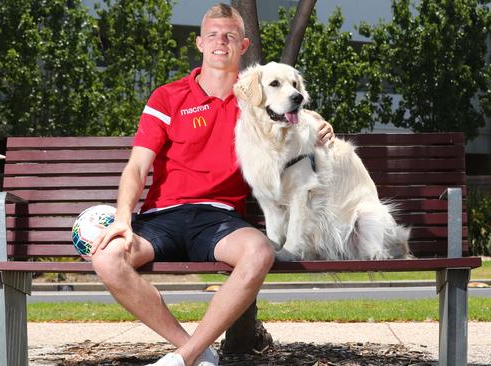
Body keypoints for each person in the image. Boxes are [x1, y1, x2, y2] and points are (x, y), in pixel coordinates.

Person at [90, 4, 334, 366]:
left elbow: (291, 109)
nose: (221, 41)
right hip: (162, 217)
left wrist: (317, 121)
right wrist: (123, 218)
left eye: (230, 36)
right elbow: (137, 166)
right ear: (200, 42)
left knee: (260, 253)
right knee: (108, 259)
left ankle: (180, 359)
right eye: (214, 35)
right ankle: (196, 352)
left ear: (243, 45)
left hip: (219, 221)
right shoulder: (167, 97)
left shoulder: (254, 99)